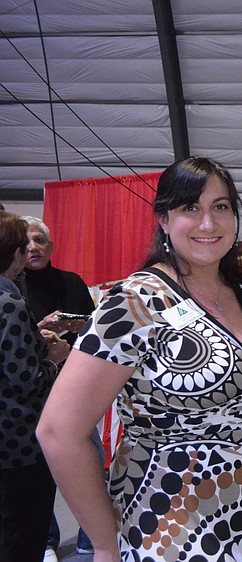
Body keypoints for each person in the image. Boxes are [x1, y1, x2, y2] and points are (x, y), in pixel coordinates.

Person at [36, 156, 242, 562]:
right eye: (191, 208)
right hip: (166, 528)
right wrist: (104, 544)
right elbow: (57, 432)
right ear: (164, 219)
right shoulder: (133, 301)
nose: (208, 223)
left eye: (220, 207)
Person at [16, 216, 98, 561]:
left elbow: (95, 332)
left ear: (51, 246)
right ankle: (46, 540)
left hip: (75, 382)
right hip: (31, 389)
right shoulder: (11, 288)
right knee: (39, 463)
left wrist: (73, 334)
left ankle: (89, 535)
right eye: (27, 242)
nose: (33, 247)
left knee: (91, 456)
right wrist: (40, 330)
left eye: (40, 240)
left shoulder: (71, 281)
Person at [0, 211, 70, 562]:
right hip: (20, 445)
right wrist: (53, 358)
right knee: (23, 538)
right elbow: (26, 380)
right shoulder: (9, 303)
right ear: (12, 253)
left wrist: (33, 339)